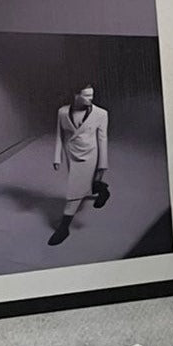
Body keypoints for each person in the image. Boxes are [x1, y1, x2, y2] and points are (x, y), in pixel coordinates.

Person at [50, 84, 109, 247]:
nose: (91, 98)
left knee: (75, 189)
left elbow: (103, 139)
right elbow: (59, 135)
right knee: (84, 185)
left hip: (90, 155)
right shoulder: (62, 112)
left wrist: (103, 164)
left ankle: (64, 227)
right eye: (87, 96)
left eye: (92, 95)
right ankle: (102, 190)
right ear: (76, 95)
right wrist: (57, 157)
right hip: (71, 154)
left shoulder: (101, 114)